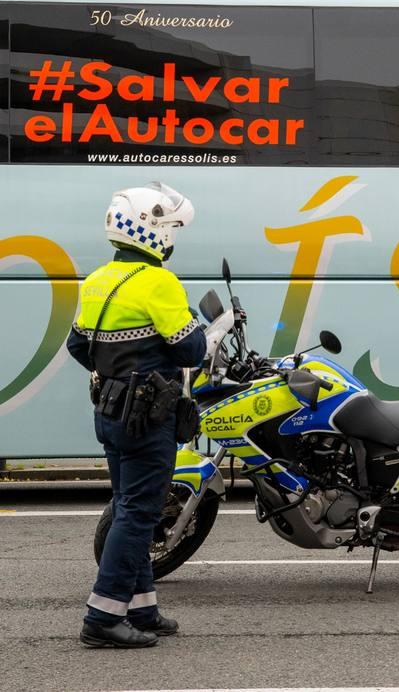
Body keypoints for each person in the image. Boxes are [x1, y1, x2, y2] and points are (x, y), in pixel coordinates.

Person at [66, 181, 206, 648]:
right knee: (139, 513)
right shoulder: (159, 282)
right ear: (151, 230)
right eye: (169, 228)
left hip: (109, 409)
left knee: (130, 505)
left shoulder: (97, 280)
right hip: (149, 417)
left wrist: (117, 372)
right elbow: (191, 346)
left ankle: (142, 608)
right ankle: (102, 616)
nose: (172, 238)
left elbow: (78, 345)